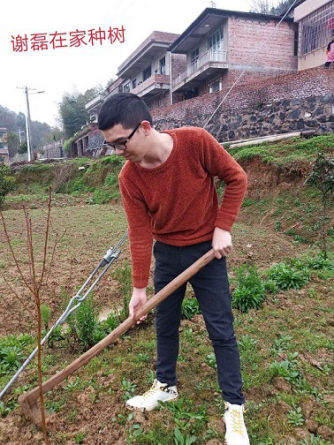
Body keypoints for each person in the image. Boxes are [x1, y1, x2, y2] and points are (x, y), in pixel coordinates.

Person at [98, 93, 249, 445]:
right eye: (111, 146)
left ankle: (235, 407)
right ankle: (165, 385)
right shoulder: (129, 178)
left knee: (221, 330)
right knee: (165, 326)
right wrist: (138, 290)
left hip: (207, 254)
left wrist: (222, 227)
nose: (119, 152)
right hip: (167, 255)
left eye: (121, 142)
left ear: (145, 128)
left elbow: (236, 178)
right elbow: (139, 232)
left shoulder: (196, 142)